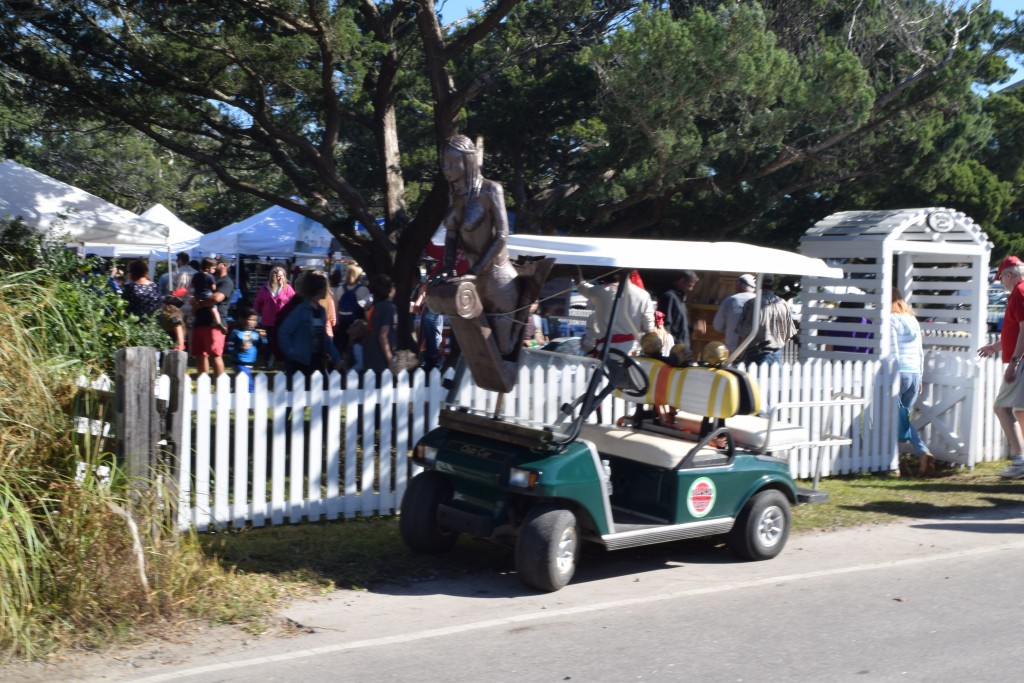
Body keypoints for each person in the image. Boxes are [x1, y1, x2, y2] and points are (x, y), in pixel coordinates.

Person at [438, 134, 519, 356]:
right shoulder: (455, 195)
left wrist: (474, 271)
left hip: (497, 280)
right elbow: (452, 234)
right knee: (476, 350)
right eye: (444, 163)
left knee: (501, 350)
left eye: (452, 163)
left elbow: (502, 235)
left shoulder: (490, 190)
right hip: (474, 281)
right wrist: (448, 266)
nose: (446, 168)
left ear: (468, 161)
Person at [978, 255, 1024, 478]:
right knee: (1020, 410)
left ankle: (1020, 460)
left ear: (1009, 275)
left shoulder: (1020, 293)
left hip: (1021, 360)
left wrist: (1013, 363)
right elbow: (1014, 332)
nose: (1000, 282)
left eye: (1001, 278)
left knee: (1001, 407)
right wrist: (995, 348)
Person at [891, 287, 934, 475]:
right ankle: (915, 454)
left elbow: (893, 352)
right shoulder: (912, 320)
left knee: (897, 418)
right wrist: (921, 376)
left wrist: (890, 375)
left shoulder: (891, 320)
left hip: (899, 373)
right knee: (902, 418)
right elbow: (919, 350)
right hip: (914, 373)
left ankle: (919, 451)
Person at [276, 272, 342, 380]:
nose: (327, 290)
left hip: (317, 360)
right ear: (318, 289)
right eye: (325, 287)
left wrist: (337, 358)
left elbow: (324, 337)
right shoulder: (300, 310)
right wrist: (292, 353)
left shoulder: (321, 311)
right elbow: (283, 332)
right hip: (301, 362)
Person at [578, 270, 654, 356]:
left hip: (606, 351)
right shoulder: (643, 295)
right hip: (631, 353)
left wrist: (576, 275)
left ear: (615, 274)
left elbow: (582, 288)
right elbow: (648, 328)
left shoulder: (603, 291)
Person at [735, 274, 796, 365]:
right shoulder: (783, 304)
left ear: (758, 284)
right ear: (772, 285)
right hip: (776, 354)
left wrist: (737, 356)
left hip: (756, 355)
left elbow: (743, 334)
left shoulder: (752, 304)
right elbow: (789, 333)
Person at [190, 258, 235, 377]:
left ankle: (220, 385)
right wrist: (194, 300)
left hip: (214, 325)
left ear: (224, 265)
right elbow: (192, 294)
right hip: (200, 321)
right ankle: (203, 384)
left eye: (216, 264)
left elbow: (216, 298)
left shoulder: (226, 282)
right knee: (200, 355)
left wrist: (199, 303)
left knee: (215, 355)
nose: (214, 266)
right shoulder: (208, 277)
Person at [253, 266, 295, 369]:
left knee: (282, 341)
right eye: (277, 276)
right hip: (269, 321)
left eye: (281, 276)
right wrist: (254, 316)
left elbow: (294, 303)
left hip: (283, 321)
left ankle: (283, 361)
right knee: (271, 342)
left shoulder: (288, 288)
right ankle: (269, 363)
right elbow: (258, 303)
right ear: (272, 277)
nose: (279, 278)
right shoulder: (265, 288)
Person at [658, 270, 705, 354]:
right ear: (681, 281)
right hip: (673, 351)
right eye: (689, 285)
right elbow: (665, 327)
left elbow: (680, 327)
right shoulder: (669, 297)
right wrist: (676, 346)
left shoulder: (680, 300)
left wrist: (694, 327)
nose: (691, 289)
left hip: (683, 350)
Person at [363, 274, 397, 376]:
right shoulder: (389, 307)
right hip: (381, 361)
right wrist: (390, 360)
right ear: (390, 290)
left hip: (370, 356)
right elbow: (383, 336)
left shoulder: (375, 307)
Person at [712, 273, 756, 351]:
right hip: (754, 351)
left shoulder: (730, 300)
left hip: (733, 351)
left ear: (738, 285)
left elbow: (718, 326)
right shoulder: (760, 301)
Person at [332, 264, 371, 352]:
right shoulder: (363, 290)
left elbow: (336, 308)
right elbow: (367, 309)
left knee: (344, 348)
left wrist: (337, 323)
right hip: (358, 324)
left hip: (342, 323)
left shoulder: (340, 289)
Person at [227, 306, 265, 392]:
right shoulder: (236, 332)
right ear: (241, 319)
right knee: (249, 385)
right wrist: (240, 349)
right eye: (250, 320)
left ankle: (234, 395)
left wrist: (263, 338)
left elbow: (261, 347)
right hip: (239, 363)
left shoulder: (255, 333)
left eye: (255, 320)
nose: (253, 322)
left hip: (250, 363)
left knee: (241, 384)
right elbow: (229, 347)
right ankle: (251, 403)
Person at [191, 267, 225, 333]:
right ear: (207, 268)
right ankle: (218, 322)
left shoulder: (196, 275)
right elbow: (213, 287)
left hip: (197, 294)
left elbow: (192, 285)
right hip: (207, 294)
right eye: (213, 269)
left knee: (195, 307)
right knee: (213, 309)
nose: (214, 270)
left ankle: (192, 316)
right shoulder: (210, 276)